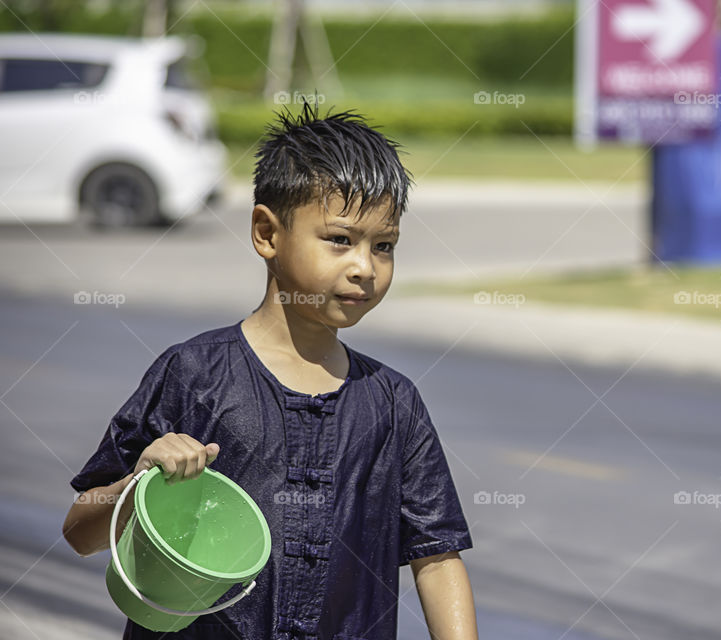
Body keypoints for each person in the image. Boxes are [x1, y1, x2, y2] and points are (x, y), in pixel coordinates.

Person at [62, 105, 478, 640]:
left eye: (385, 246)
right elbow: (80, 531)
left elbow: (437, 558)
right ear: (266, 232)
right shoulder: (194, 375)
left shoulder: (394, 402)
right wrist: (139, 483)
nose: (365, 267)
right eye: (339, 239)